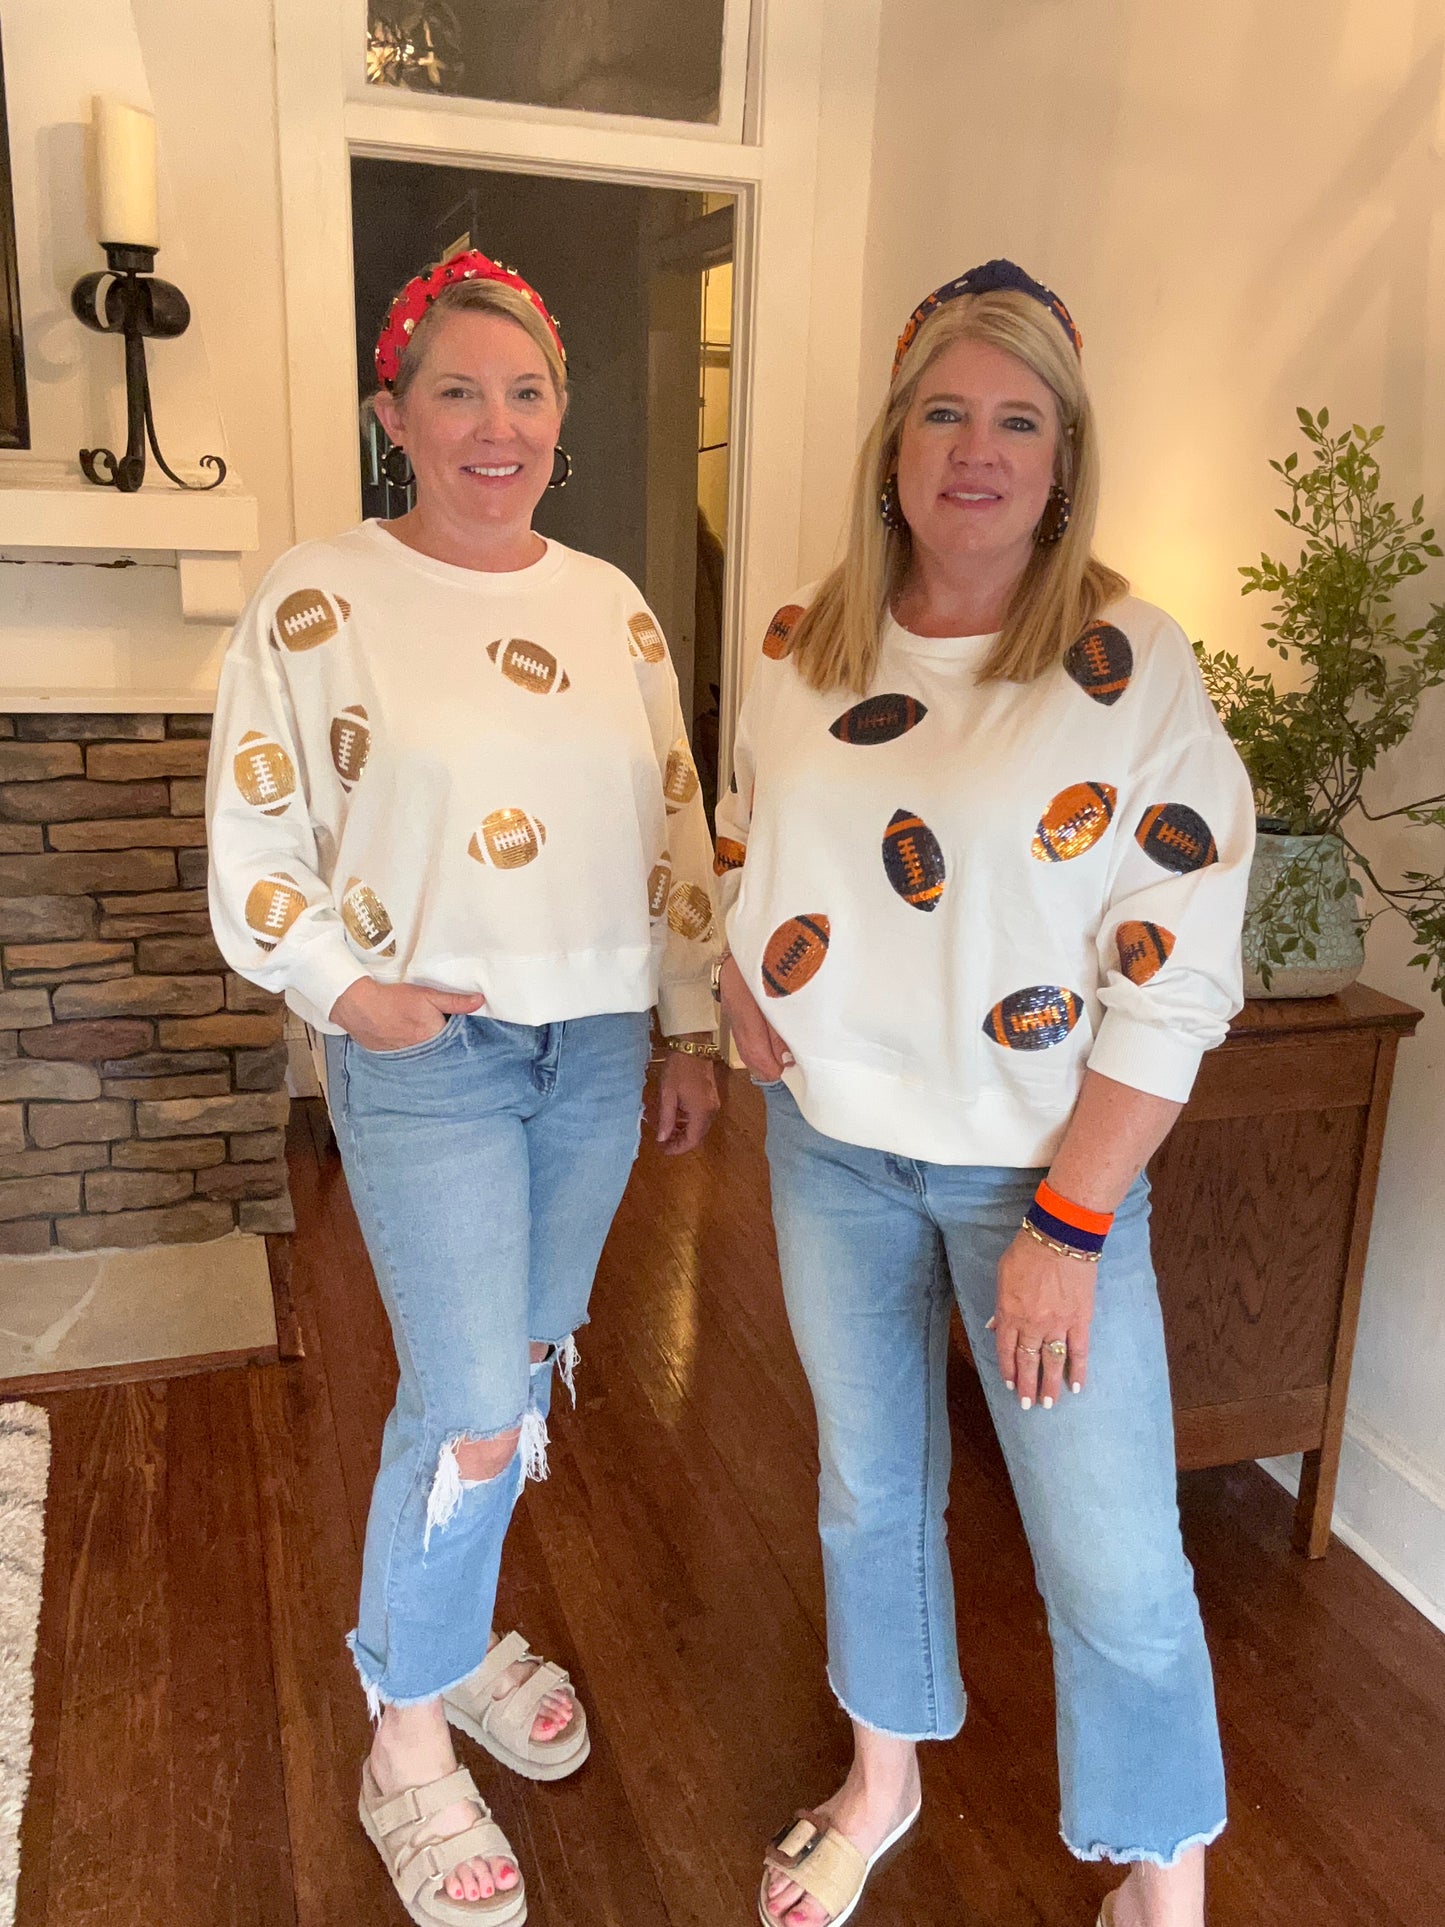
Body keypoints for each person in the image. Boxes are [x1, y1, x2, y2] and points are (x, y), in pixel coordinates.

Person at [714, 260, 1254, 1927]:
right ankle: (882, 1782)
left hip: (1039, 1181)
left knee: (1105, 1552)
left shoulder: (1128, 662)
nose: (975, 447)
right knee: (871, 1485)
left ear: (1061, 458)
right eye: (943, 410)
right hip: (832, 1152)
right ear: (892, 443)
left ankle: (1165, 1886)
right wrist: (733, 973)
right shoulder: (807, 643)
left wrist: (1072, 1222)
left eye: (1016, 419)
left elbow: (1176, 961)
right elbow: (748, 830)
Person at [207, 250, 722, 1923]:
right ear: (394, 418)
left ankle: (450, 1626)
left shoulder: (612, 604)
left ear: (559, 421)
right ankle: (406, 1739)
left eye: (525, 393)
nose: (493, 425)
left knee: (510, 1365)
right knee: (470, 1406)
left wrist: (691, 1020)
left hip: (593, 1050)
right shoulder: (316, 597)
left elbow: (672, 814)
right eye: (455, 392)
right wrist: (343, 989)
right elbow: (257, 826)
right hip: (429, 1051)